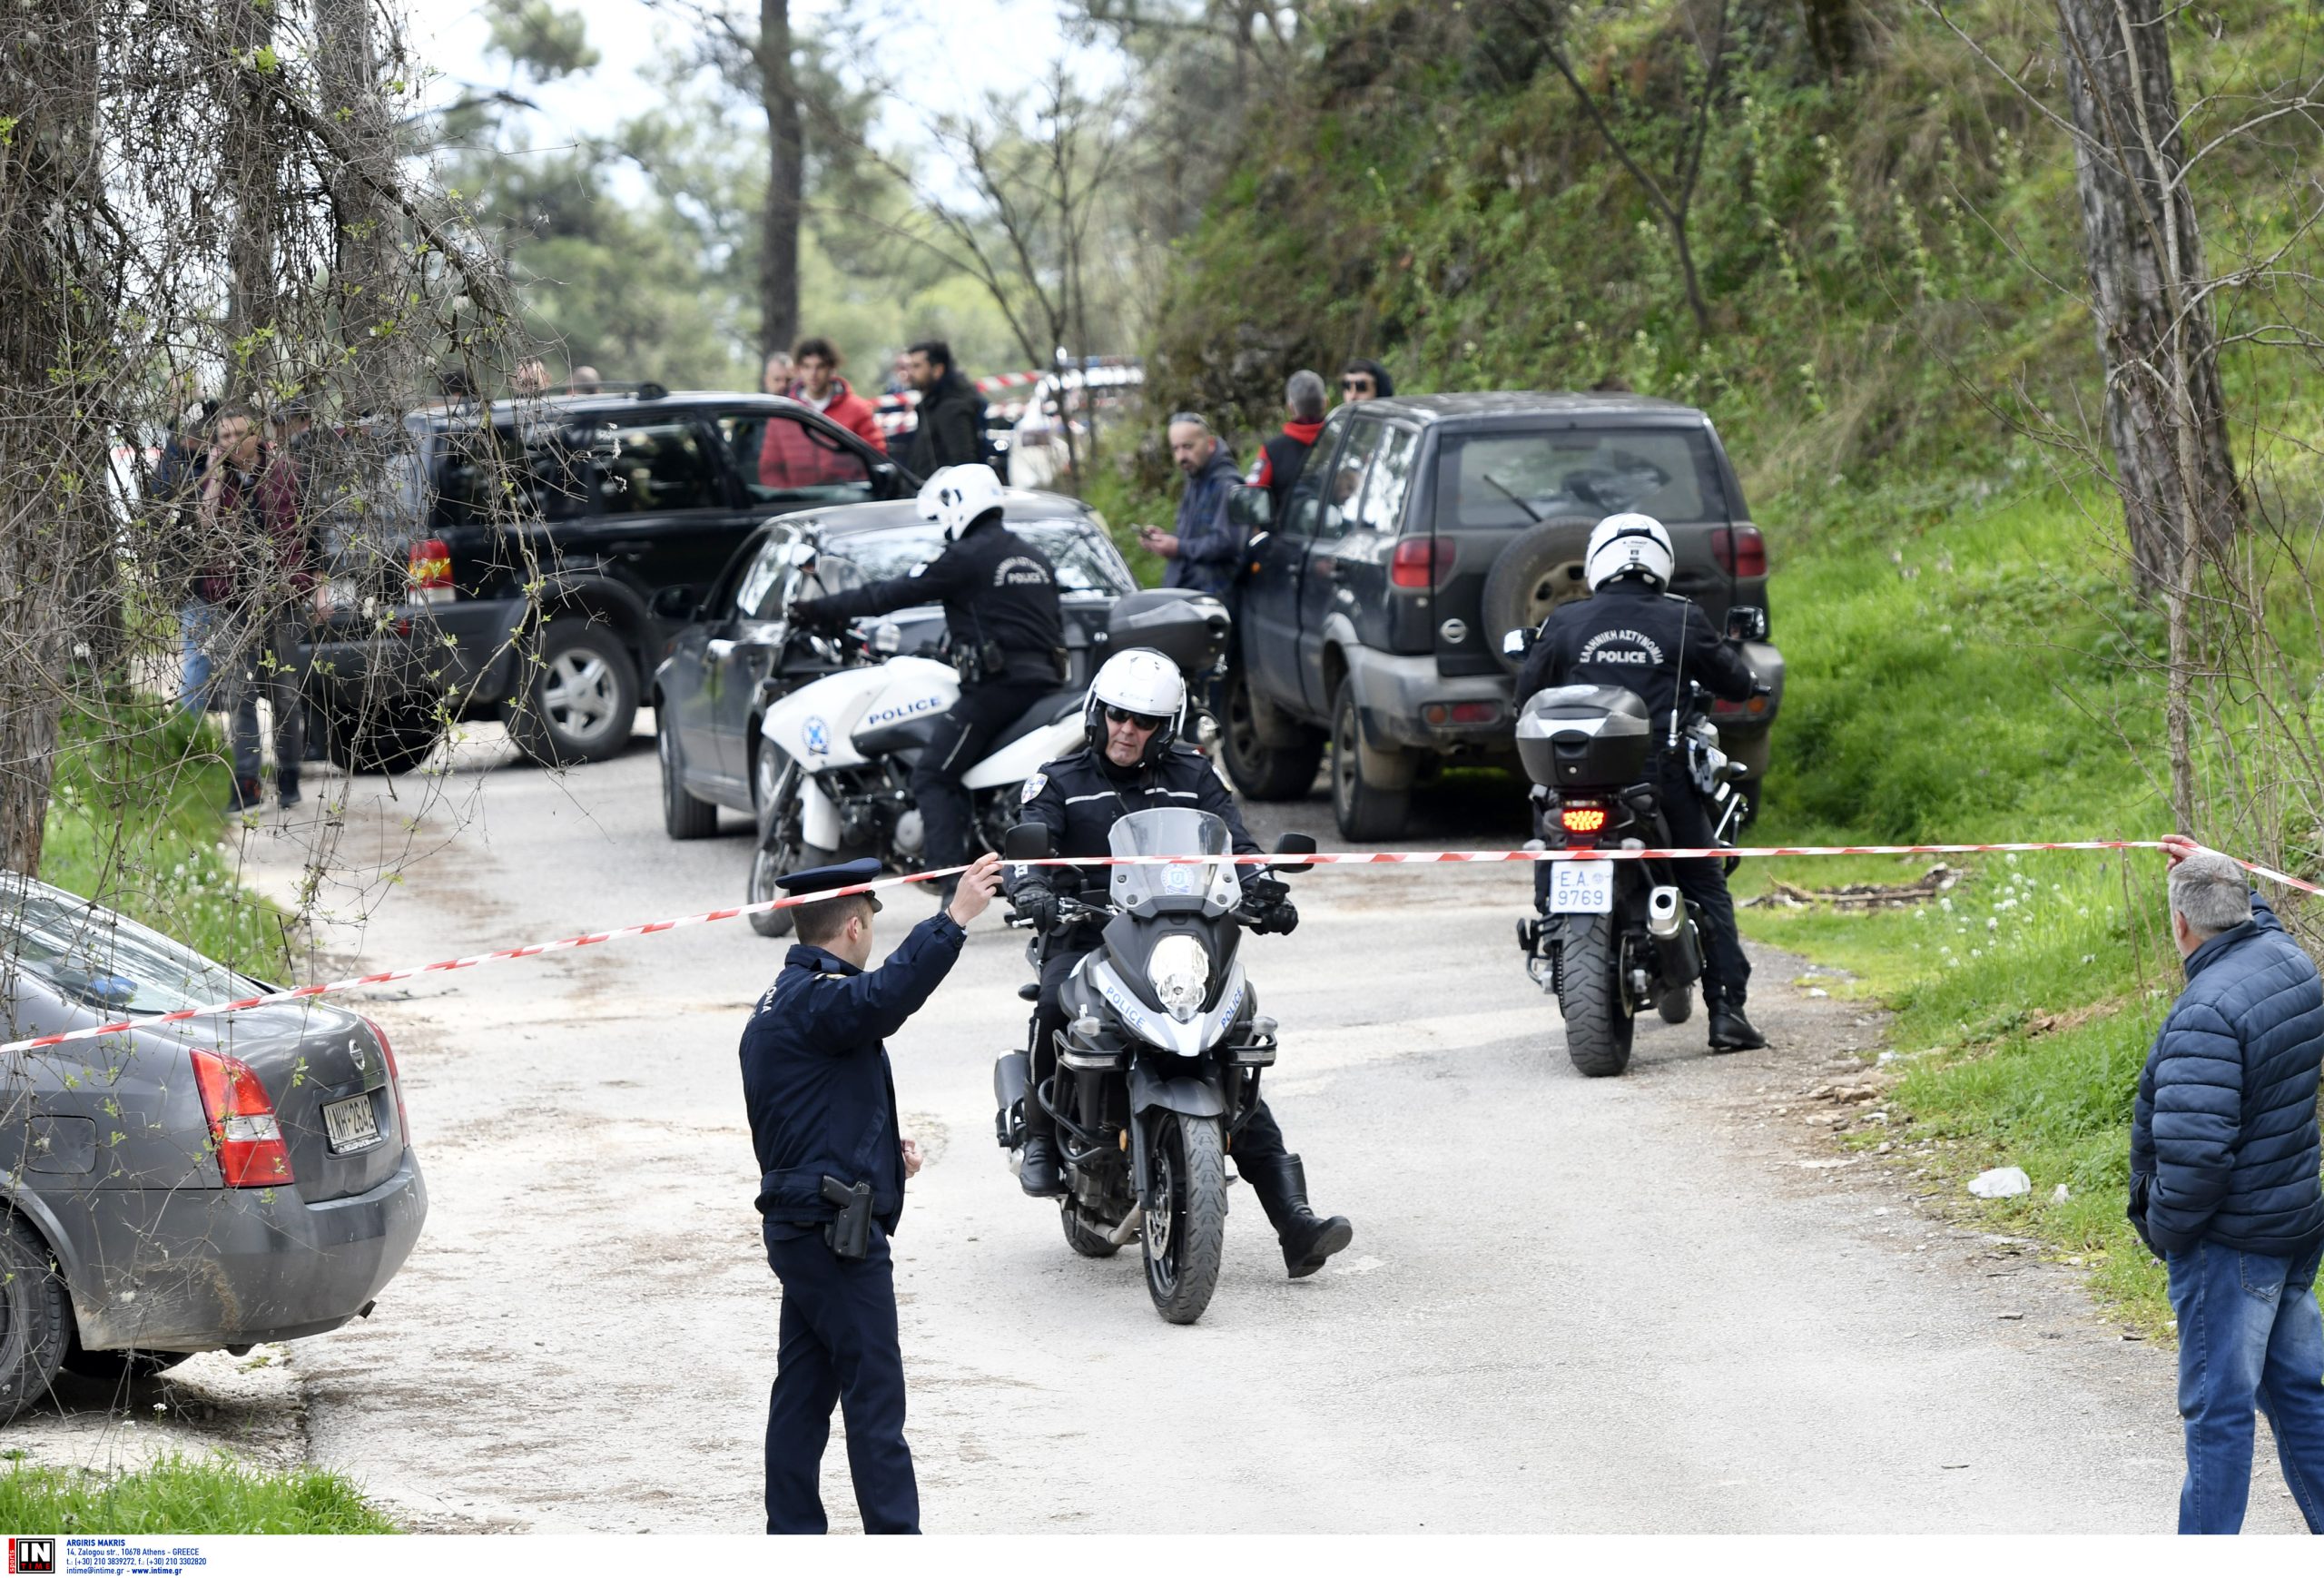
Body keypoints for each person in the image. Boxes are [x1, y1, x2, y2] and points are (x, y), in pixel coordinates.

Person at [1006, 648, 1353, 1275]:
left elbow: (1237, 846)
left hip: (1180, 939)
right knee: (1057, 1000)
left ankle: (1295, 1222)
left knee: (1229, 1042)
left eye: (1144, 722)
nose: (1127, 731)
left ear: (1165, 728)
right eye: (1118, 716)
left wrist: (1265, 889)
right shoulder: (1059, 780)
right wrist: (1031, 886)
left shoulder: (1194, 775)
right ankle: (1039, 1137)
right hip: (1087, 933)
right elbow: (1029, 844)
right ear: (1097, 714)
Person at [741, 852, 1007, 1535]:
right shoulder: (819, 1000)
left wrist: (885, 1159)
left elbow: (807, 1122)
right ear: (855, 926)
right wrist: (953, 918)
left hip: (806, 1225)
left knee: (804, 1392)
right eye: (872, 925)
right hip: (834, 1234)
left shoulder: (782, 1002)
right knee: (875, 1397)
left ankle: (792, 1536)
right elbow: (887, 996)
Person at [1512, 512, 1765, 1050]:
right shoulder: (1683, 618)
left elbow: (1524, 697)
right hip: (1657, 783)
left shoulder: (1566, 621)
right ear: (1662, 563)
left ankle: (1552, 915)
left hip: (1573, 785)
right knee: (1705, 883)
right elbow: (1735, 682)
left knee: (1548, 832)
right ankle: (1727, 1014)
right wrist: (1745, 675)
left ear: (1598, 561)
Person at [2131, 836, 2324, 1534]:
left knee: (2219, 1415)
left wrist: (2168, 1234)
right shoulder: (2290, 962)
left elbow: (2196, 1158)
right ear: (2243, 907)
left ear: (2181, 924)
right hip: (2292, 1227)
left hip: (2230, 1246)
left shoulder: (2205, 1013)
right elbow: (2256, 922)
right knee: (2301, 1397)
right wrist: (2225, 870)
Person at [790, 465, 1064, 898]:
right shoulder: (1034, 557)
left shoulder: (964, 556)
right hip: (1046, 685)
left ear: (958, 504)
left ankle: (950, 883)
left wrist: (817, 610)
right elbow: (1009, 620)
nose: (943, 527)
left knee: (934, 775)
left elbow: (889, 594)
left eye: (941, 516)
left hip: (997, 691)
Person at [196, 408, 310, 813]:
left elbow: (310, 529)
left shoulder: (287, 472)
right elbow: (204, 524)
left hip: (281, 598)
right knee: (238, 695)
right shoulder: (212, 479)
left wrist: (319, 585)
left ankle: (289, 775)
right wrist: (215, 476)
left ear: (257, 435)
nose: (232, 443)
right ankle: (246, 782)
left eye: (238, 434)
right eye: (223, 437)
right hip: (231, 601)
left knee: (285, 695)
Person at [1135, 413, 1242, 597]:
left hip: (1213, 596)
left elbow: (1226, 543)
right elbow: (1194, 536)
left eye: (1188, 446)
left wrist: (1178, 547)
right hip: (1187, 592)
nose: (1181, 457)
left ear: (1210, 444)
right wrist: (1165, 539)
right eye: (1175, 449)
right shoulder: (1195, 476)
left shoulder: (1226, 484)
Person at [760, 337, 886, 488]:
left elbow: (877, 461)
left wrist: (855, 492)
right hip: (799, 500)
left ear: (832, 368)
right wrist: (792, 495)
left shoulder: (858, 409)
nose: (813, 374)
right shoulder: (784, 415)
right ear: (798, 369)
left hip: (847, 499)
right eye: (807, 366)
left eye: (820, 366)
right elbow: (770, 470)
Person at [1251, 370, 1328, 520]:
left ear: (1290, 407)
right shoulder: (1343, 442)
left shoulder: (1272, 451)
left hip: (1287, 534)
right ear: (1325, 403)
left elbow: (1252, 496)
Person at [900, 340, 986, 474]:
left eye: (916, 366)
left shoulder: (951, 407)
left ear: (938, 370)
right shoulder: (932, 404)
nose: (910, 373)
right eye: (909, 367)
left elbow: (964, 464)